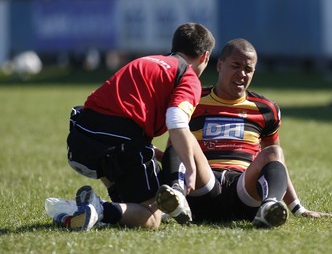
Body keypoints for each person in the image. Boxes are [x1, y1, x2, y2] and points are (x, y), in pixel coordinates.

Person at [55, 22, 215, 231]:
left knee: (130, 196)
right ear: (205, 57)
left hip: (83, 135)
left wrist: (153, 152)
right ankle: (101, 209)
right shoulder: (188, 76)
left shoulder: (147, 60)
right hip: (119, 140)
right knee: (151, 217)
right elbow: (176, 122)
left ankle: (102, 208)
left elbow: (113, 110)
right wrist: (191, 168)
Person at [160, 38, 332, 228]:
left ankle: (269, 208)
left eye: (248, 69)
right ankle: (176, 198)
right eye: (235, 66)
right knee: (180, 141)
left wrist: (297, 208)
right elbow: (174, 148)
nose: (242, 74)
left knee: (275, 152)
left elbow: (276, 164)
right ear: (219, 65)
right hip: (203, 185)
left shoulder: (266, 109)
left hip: (243, 190)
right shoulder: (194, 99)